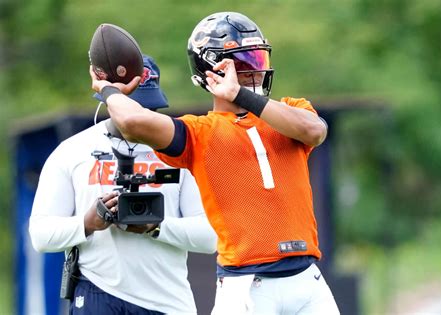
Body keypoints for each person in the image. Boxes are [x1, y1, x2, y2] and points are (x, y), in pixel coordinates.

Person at [90, 12, 340, 315]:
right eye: (245, 64)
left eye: (258, 61)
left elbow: (314, 131)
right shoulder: (200, 132)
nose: (256, 72)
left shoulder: (290, 111)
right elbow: (131, 121)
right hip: (246, 286)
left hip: (308, 280)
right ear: (212, 71)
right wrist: (108, 90)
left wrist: (241, 95)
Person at [29, 55, 217, 315]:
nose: (138, 118)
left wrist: (156, 226)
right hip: (97, 291)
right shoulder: (72, 151)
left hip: (167, 302)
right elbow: (40, 235)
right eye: (130, 107)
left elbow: (211, 237)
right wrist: (87, 222)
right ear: (111, 103)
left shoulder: (183, 151)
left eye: (146, 109)